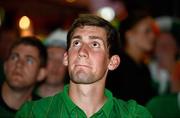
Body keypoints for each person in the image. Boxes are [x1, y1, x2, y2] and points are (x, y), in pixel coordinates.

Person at [16, 14, 152, 117]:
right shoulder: (33, 113)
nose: (82, 52)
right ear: (66, 57)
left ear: (113, 62)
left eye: (94, 44)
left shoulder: (134, 115)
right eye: (76, 43)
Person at [106, 9, 157, 105]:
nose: (153, 36)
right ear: (129, 35)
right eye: (147, 31)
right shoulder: (117, 67)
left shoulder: (143, 67)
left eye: (153, 31)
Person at [0, 36, 47, 117]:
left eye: (29, 60)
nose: (19, 64)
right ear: (5, 66)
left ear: (41, 74)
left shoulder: (44, 112)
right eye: (14, 57)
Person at [34, 29, 68, 98]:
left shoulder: (74, 101)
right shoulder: (25, 96)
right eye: (51, 57)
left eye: (62, 59)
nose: (56, 65)